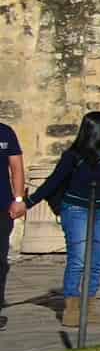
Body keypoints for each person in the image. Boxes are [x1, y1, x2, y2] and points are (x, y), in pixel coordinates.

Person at [25, 112, 100, 324]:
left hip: (98, 211)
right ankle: (71, 311)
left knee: (99, 260)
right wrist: (27, 203)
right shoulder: (73, 155)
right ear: (99, 130)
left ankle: (89, 308)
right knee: (78, 260)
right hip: (75, 210)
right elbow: (52, 183)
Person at [0, 114, 27, 333]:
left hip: (1, 206)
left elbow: (16, 167)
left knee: (0, 260)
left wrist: (19, 199)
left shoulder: (5, 132)